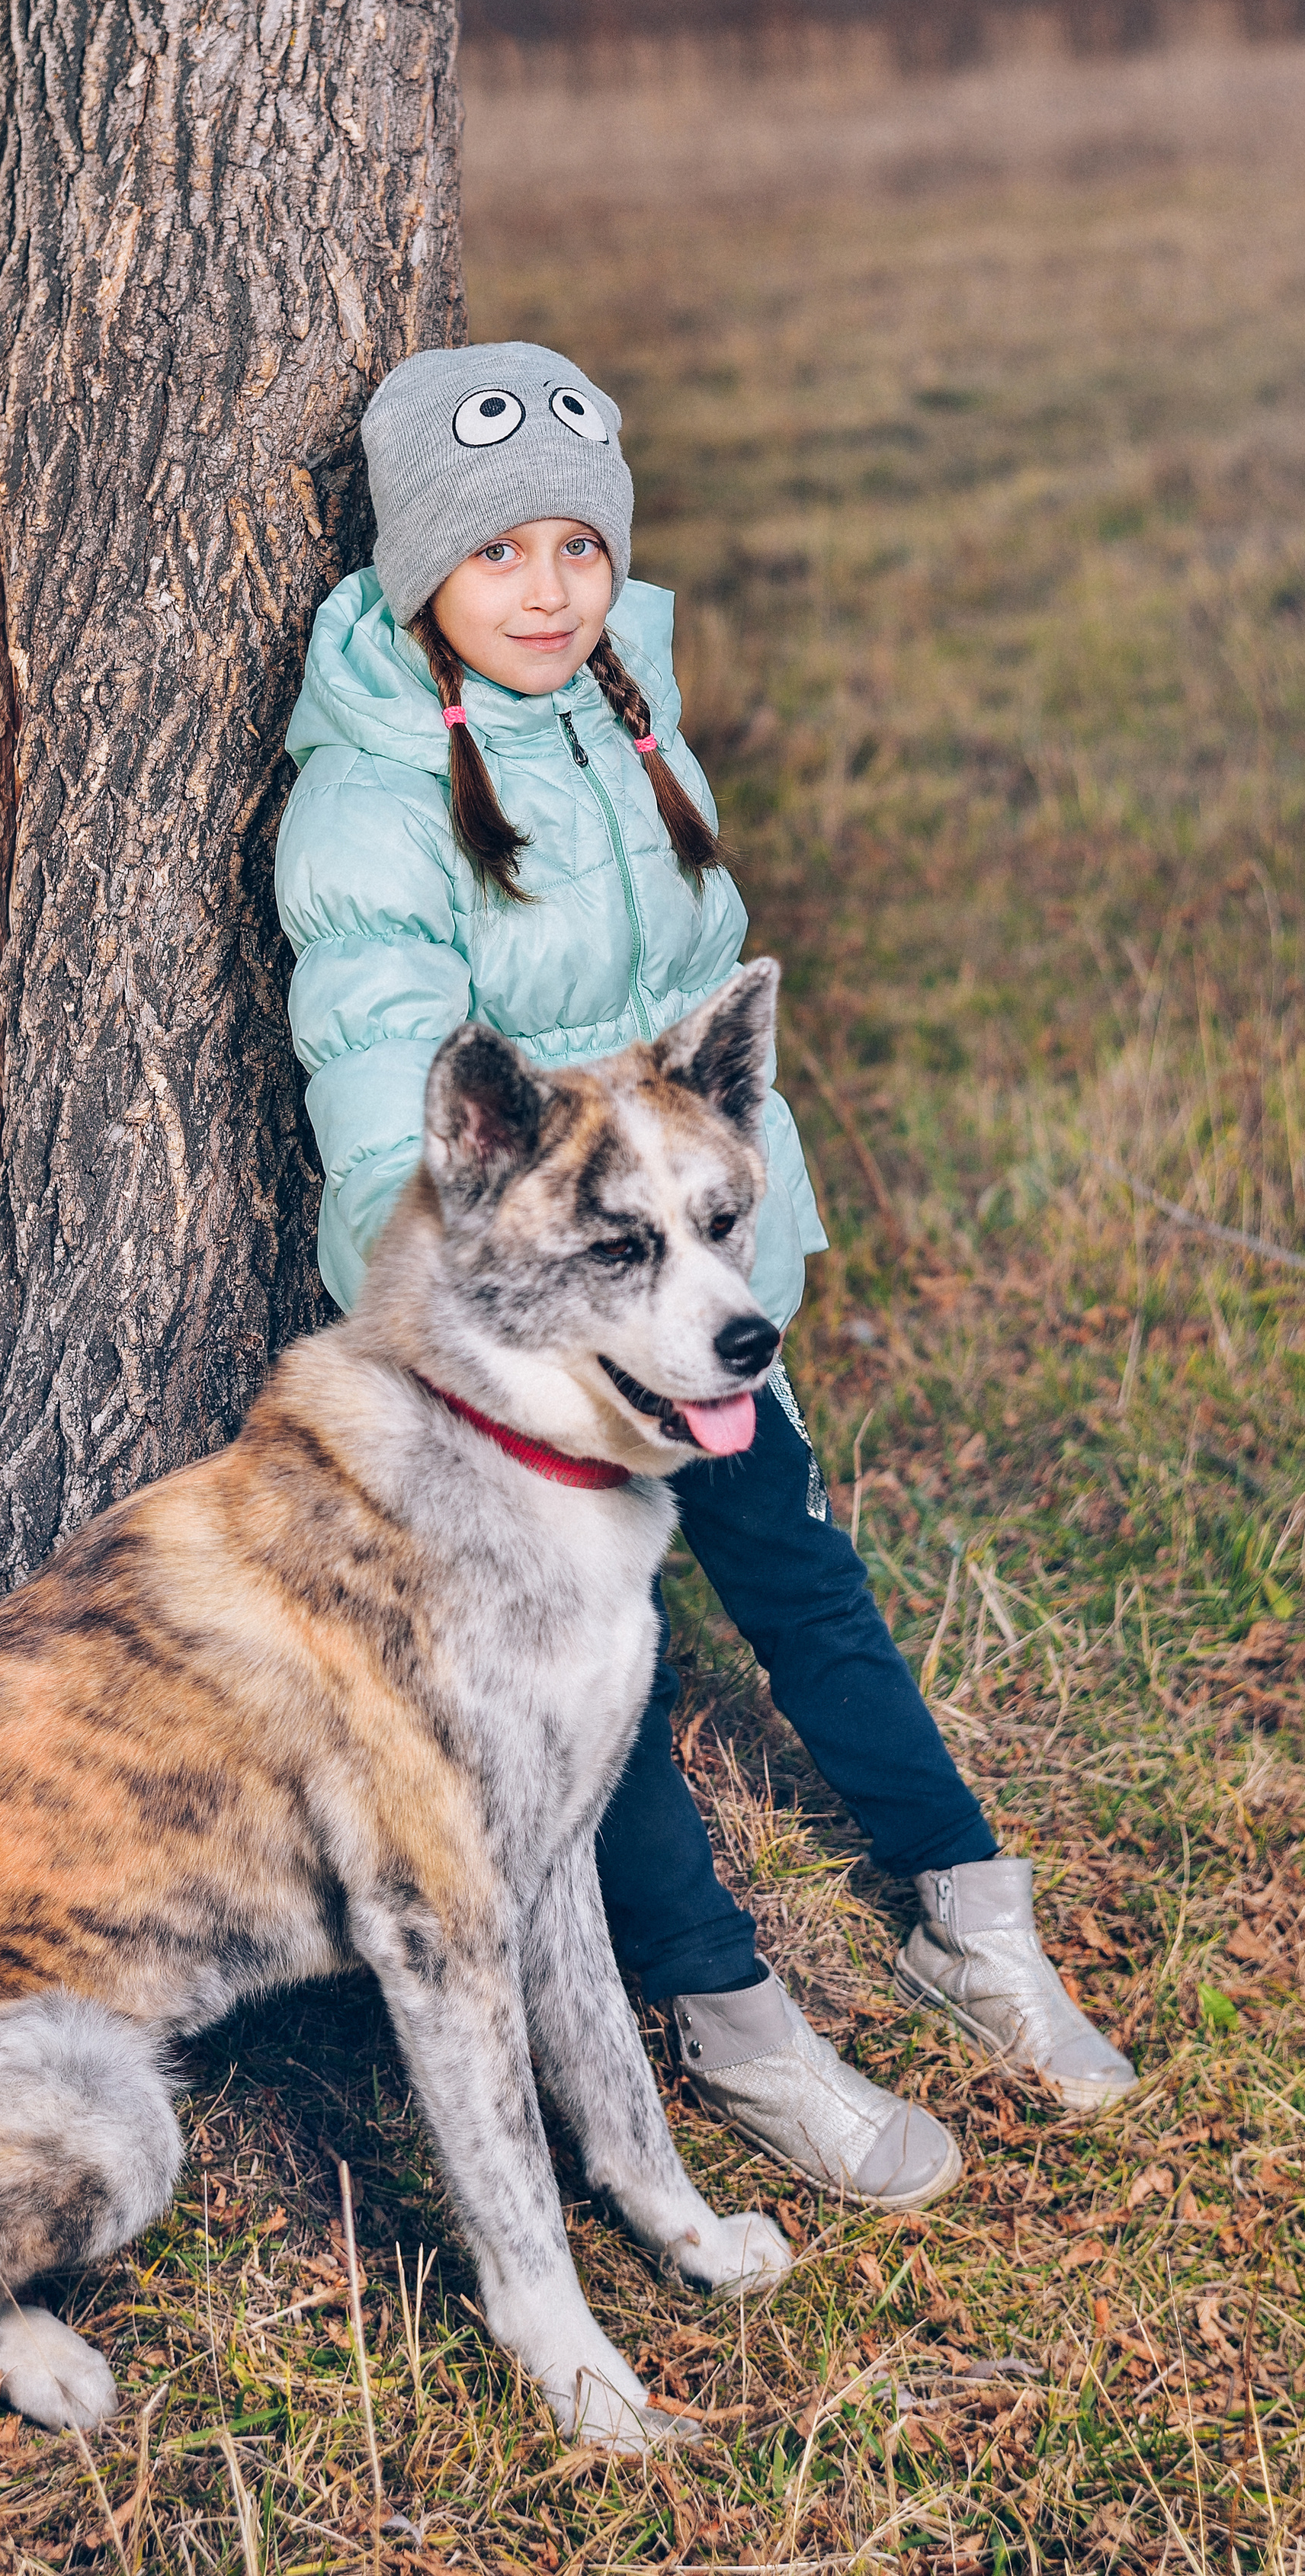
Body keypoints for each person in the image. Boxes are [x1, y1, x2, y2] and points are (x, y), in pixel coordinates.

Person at [272, 340, 1133, 2209]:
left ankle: (963, 1908)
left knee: (798, 1573)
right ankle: (734, 2021)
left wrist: (742, 1226)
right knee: (611, 1678)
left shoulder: (620, 700)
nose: (549, 587)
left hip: (694, 1284)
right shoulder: (359, 806)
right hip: (539, 1335)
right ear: (420, 566)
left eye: (581, 544)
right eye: (499, 551)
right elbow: (378, 1094)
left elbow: (700, 992)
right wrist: (450, 1344)